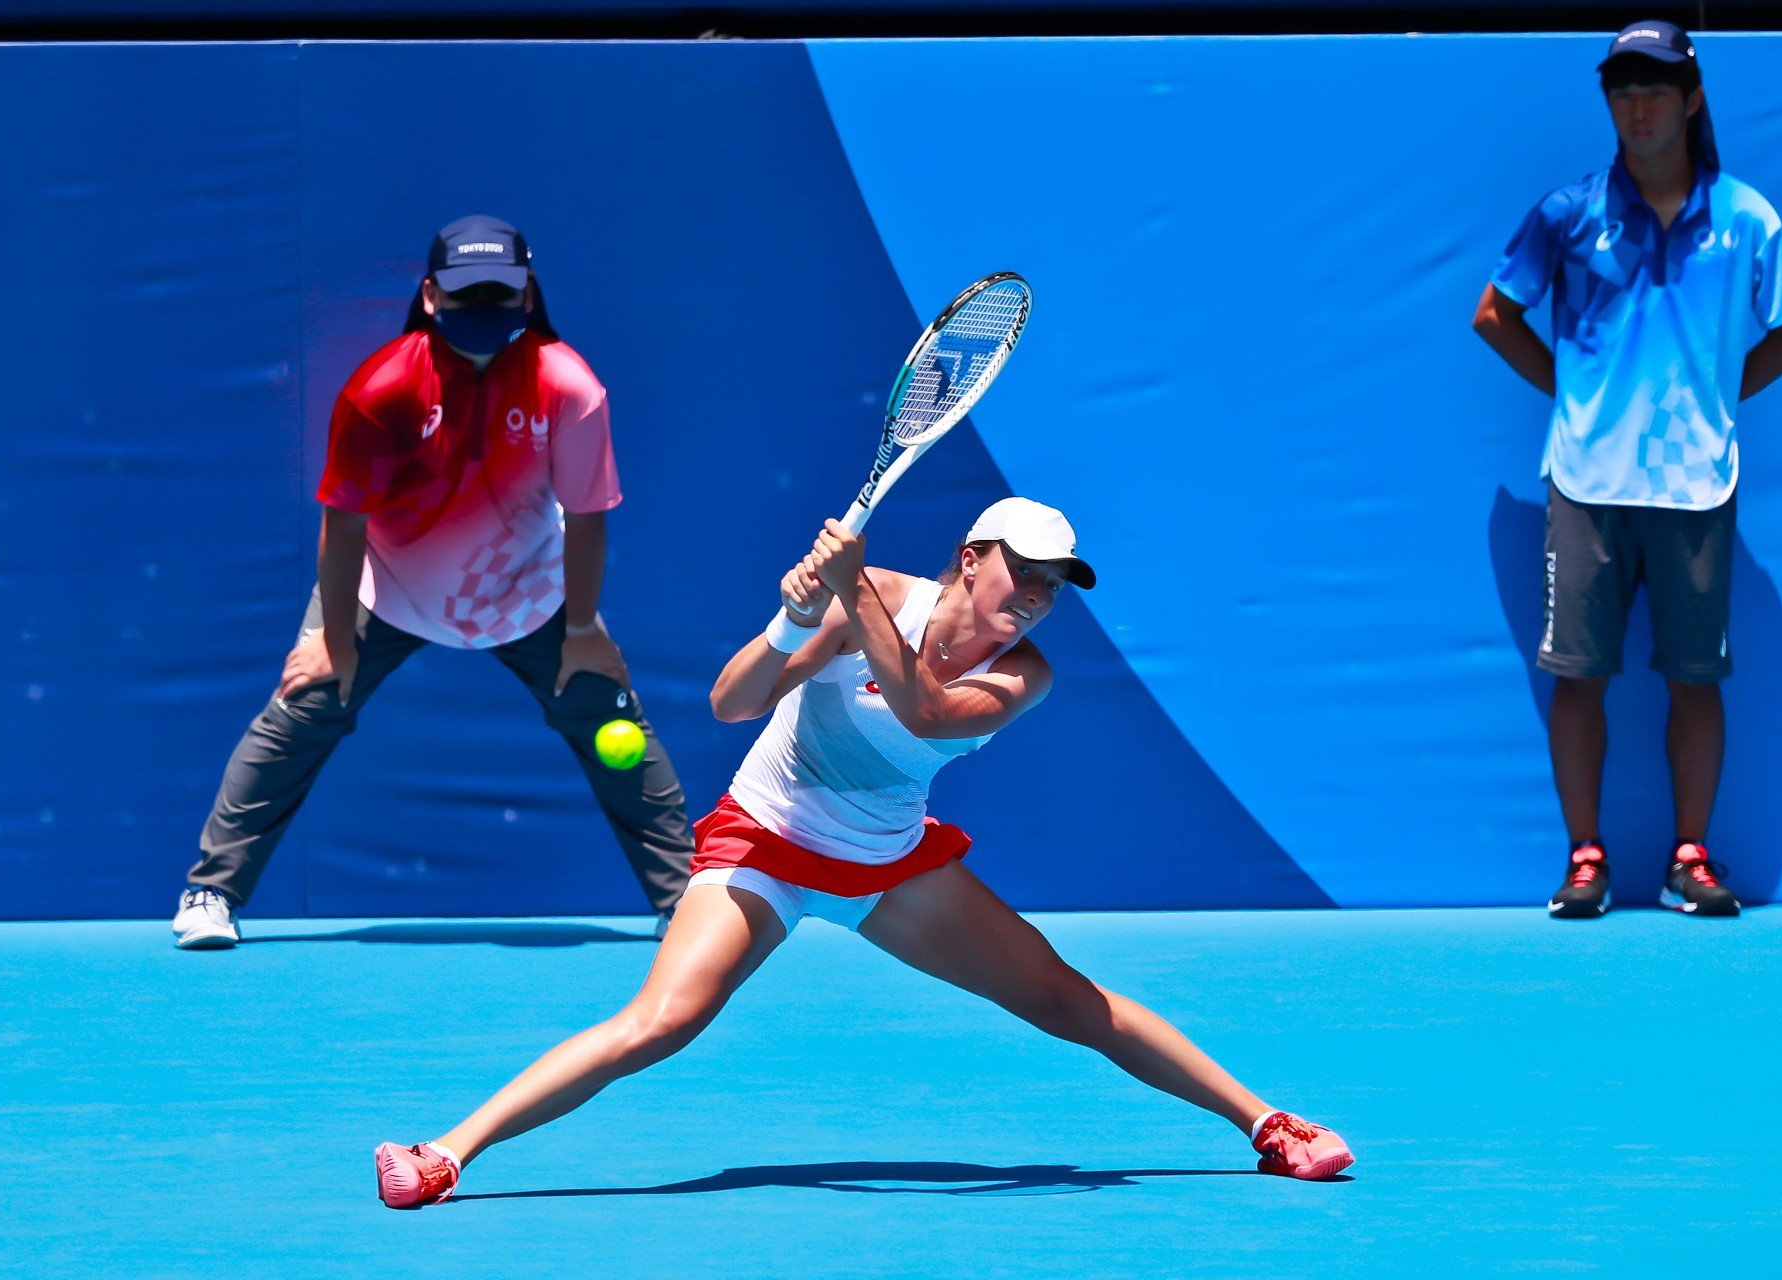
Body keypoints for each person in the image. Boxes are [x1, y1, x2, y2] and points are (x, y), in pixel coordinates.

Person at [372, 497, 1354, 1206]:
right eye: (1027, 573)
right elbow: (732, 701)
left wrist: (850, 597)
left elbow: (925, 711)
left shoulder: (1027, 673)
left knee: (1067, 998)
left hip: (890, 864)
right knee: (661, 1020)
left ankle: (1268, 1125)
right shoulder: (868, 598)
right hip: (768, 843)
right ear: (973, 557)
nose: (1041, 597)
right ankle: (447, 1152)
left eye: (1058, 585)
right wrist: (798, 614)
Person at [170, 215, 693, 949]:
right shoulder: (381, 391)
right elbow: (344, 524)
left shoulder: (568, 387)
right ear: (428, 295)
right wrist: (334, 641)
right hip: (388, 587)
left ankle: (685, 903)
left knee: (612, 721)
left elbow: (586, 519)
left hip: (529, 594)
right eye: (465, 293)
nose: (482, 307)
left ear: (527, 294)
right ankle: (210, 892)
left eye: (498, 293)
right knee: (303, 706)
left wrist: (580, 631)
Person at [1472, 22, 1782, 919]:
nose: (1638, 103)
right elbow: (1494, 313)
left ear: (1692, 99)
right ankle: (1586, 860)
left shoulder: (1747, 217)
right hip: (1586, 481)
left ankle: (1688, 858)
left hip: (1698, 483)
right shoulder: (1568, 212)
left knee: (1695, 678)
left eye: (1656, 86)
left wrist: (1714, 396)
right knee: (1580, 676)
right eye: (1623, 87)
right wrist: (1573, 393)